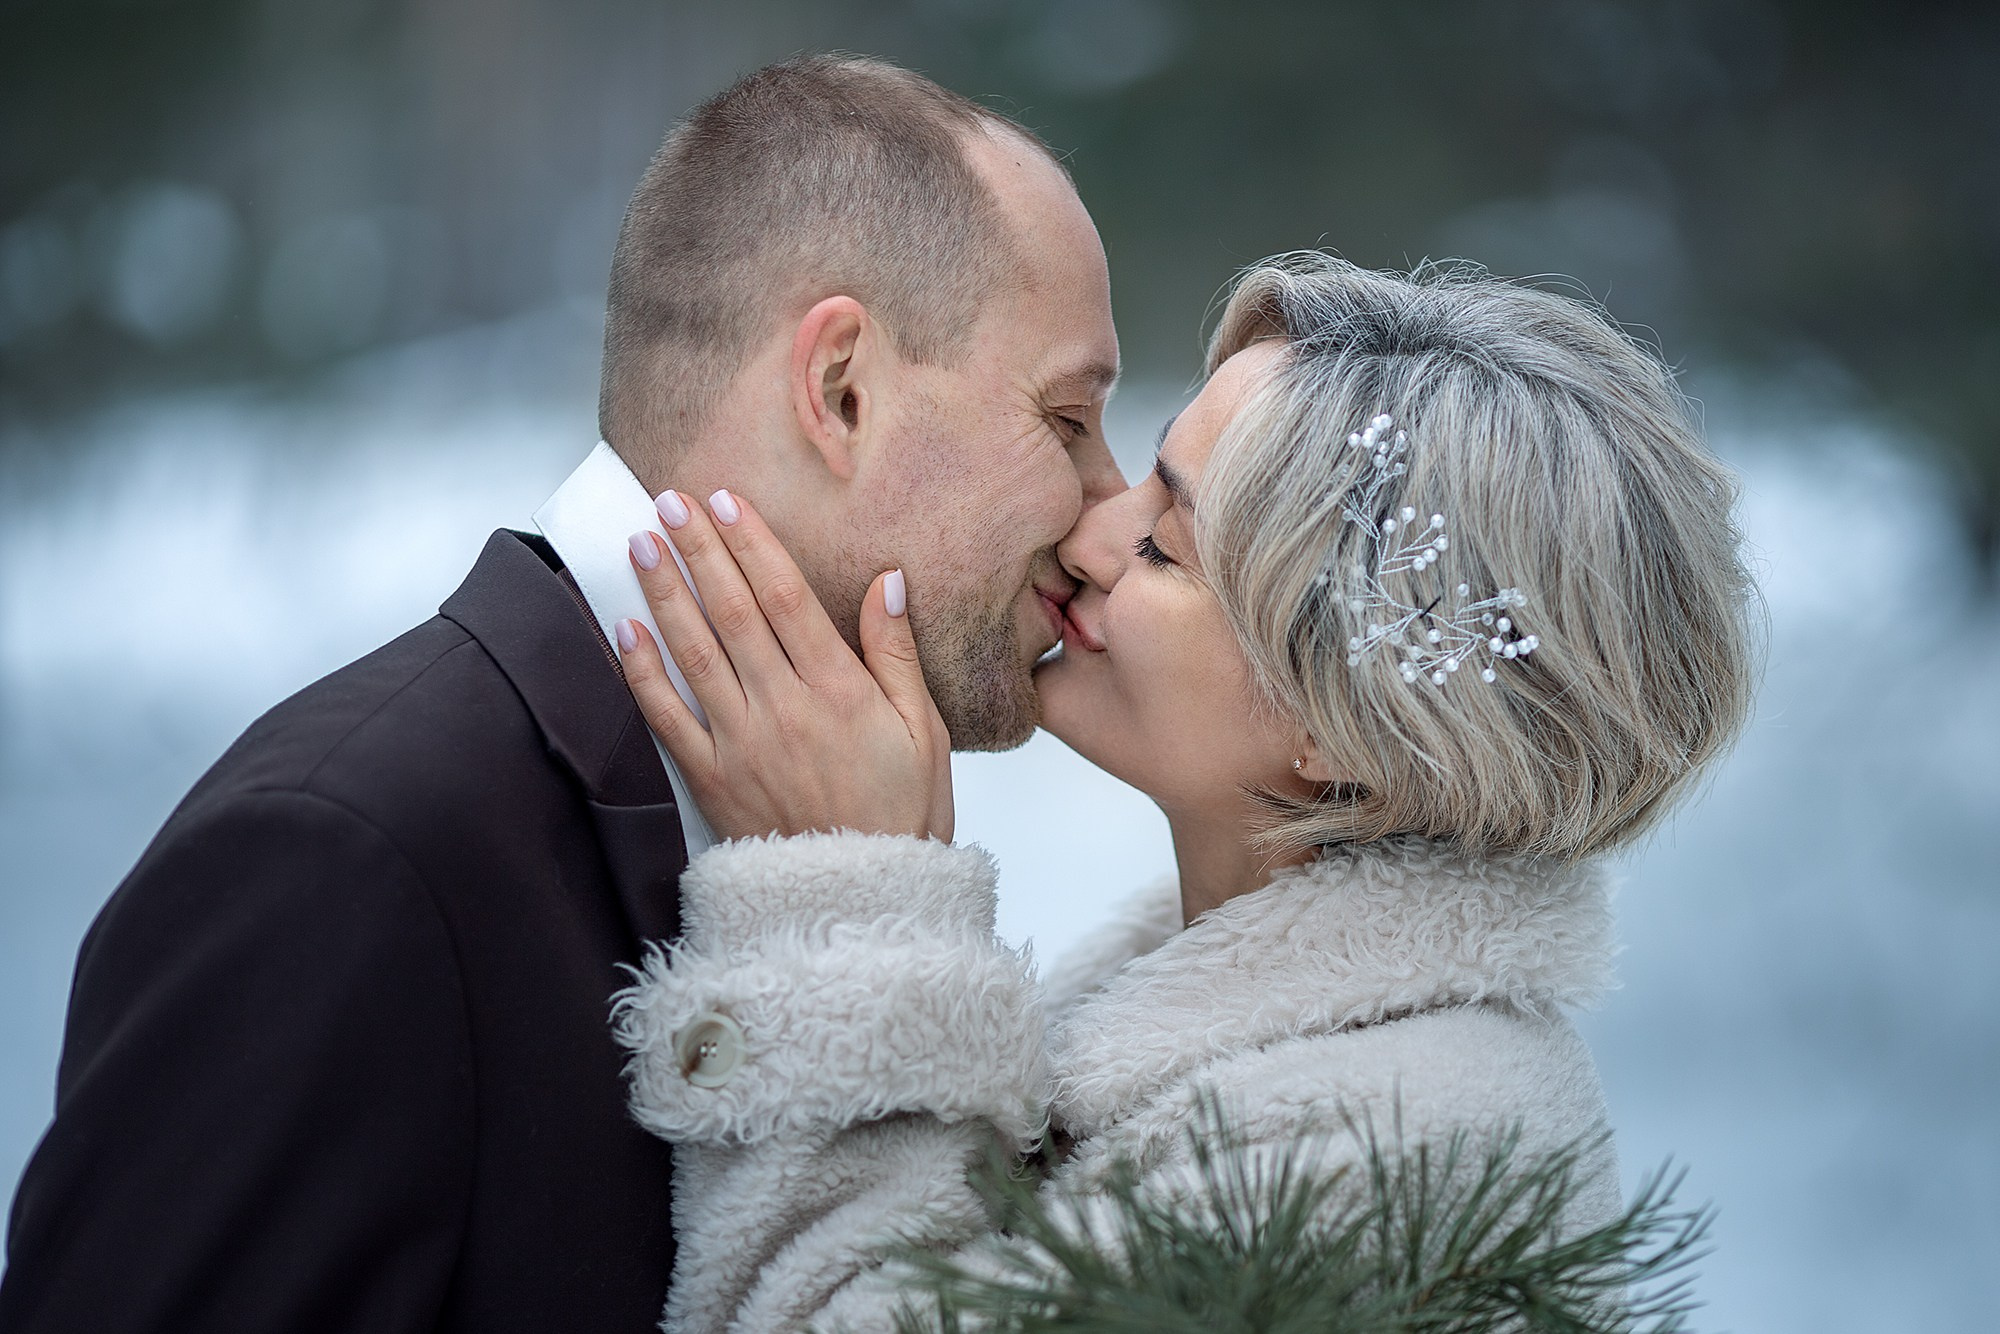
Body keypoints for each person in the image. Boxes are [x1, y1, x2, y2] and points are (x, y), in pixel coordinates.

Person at [0, 56, 1118, 1333]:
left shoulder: (831, 828)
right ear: (839, 390)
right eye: (1068, 417)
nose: (1103, 509)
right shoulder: (340, 855)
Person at [606, 254, 1759, 1331]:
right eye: (1147, 469)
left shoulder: (1368, 1158)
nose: (1089, 530)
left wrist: (846, 909)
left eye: (1165, 543)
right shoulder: (1256, 1034)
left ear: (1339, 719)